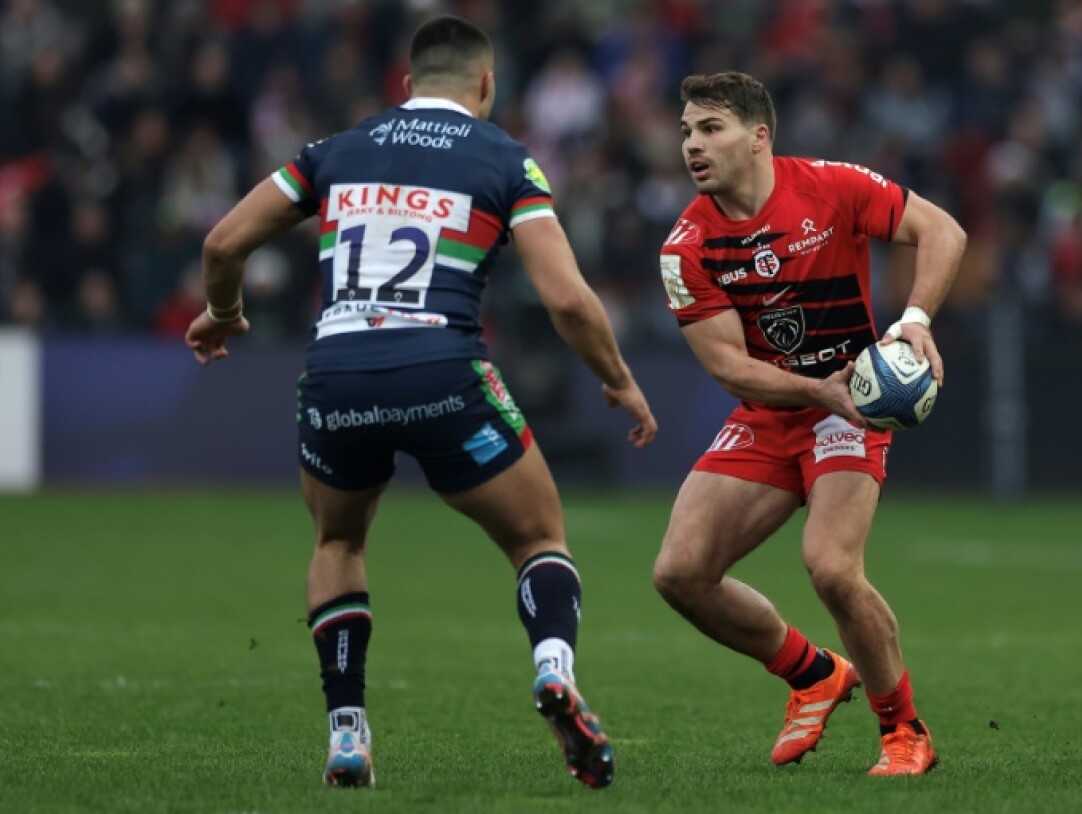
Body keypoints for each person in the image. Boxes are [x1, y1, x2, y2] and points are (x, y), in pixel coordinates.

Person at [185, 15, 656, 791]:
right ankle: (553, 669)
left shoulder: (334, 152)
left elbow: (221, 246)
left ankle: (346, 735)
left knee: (338, 544)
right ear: (486, 85)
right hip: (443, 371)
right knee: (539, 535)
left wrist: (226, 312)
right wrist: (618, 378)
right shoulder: (507, 159)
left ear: (406, 86)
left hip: (336, 373)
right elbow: (568, 299)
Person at [654, 72, 965, 777]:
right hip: (779, 409)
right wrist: (812, 391)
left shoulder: (831, 186)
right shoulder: (685, 248)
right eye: (685, 131)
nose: (692, 145)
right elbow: (729, 367)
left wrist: (913, 320)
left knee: (830, 567)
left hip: (851, 407)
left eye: (710, 128)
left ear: (759, 137)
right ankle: (813, 673)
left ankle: (904, 732)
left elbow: (942, 230)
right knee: (679, 573)